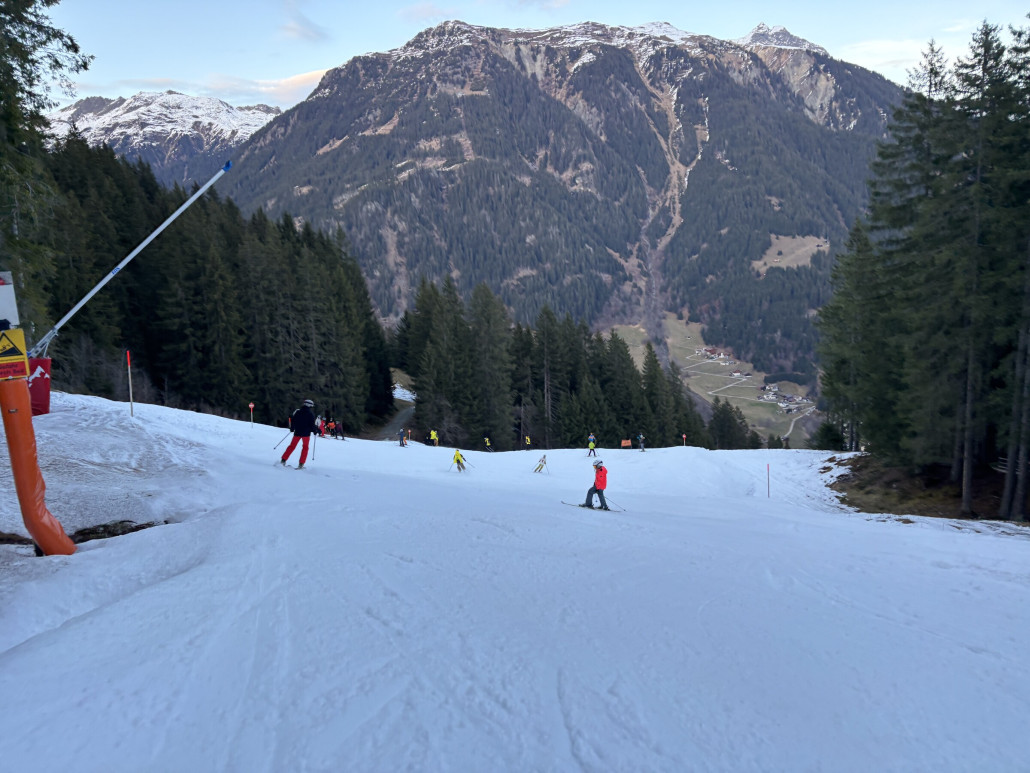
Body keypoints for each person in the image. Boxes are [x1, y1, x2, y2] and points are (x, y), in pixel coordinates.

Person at [280, 398, 318, 469]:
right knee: (305, 448)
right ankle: (301, 464)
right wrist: (315, 431)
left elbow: (293, 420)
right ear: (309, 405)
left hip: (297, 432)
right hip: (306, 434)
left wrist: (292, 428)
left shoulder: (298, 412)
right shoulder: (311, 414)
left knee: (292, 446)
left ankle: (283, 460)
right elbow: (312, 425)